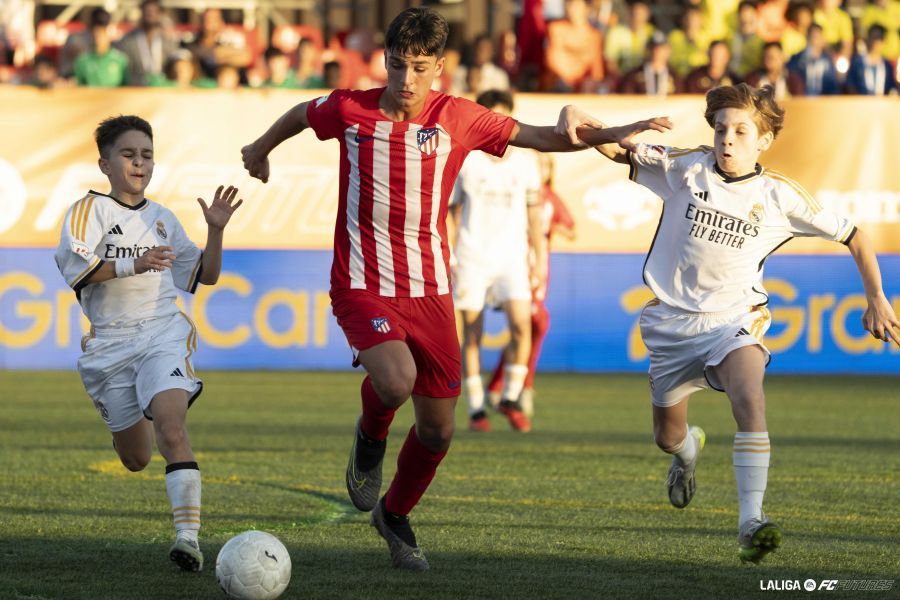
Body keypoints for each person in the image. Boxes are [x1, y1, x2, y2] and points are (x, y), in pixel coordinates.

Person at [240, 6, 668, 572]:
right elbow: (300, 112)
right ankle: (369, 438)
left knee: (439, 431)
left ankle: (393, 513)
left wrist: (608, 134)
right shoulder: (350, 108)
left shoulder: (459, 117)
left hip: (432, 288)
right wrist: (260, 149)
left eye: (419, 68)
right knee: (394, 381)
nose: (406, 80)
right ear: (385, 62)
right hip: (363, 282)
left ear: (439, 67)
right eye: (397, 65)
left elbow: (540, 137)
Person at [558, 83, 899, 563]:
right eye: (721, 128)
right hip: (670, 325)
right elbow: (616, 147)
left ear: (763, 140)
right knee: (666, 437)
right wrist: (580, 114)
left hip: (734, 321)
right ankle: (687, 453)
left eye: (741, 130)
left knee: (749, 395)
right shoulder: (686, 167)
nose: (727, 138)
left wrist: (877, 299)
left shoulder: (779, 196)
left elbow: (856, 237)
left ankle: (750, 520)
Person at [54, 115, 242, 573]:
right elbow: (77, 271)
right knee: (136, 458)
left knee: (172, 429)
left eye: (147, 155)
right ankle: (132, 407)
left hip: (162, 335)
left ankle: (189, 540)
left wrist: (216, 229)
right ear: (104, 164)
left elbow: (206, 276)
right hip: (110, 349)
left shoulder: (164, 219)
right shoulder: (86, 212)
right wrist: (131, 264)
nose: (139, 163)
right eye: (128, 154)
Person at [449, 90, 544, 433]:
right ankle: (476, 409)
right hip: (472, 256)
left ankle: (512, 397)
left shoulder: (526, 161)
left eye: (502, 119)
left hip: (512, 258)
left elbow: (535, 215)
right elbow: (449, 212)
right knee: (471, 335)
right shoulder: (466, 159)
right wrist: (450, 253)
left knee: (522, 326)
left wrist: (540, 258)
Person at [486, 152, 576, 417]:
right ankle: (521, 386)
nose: (542, 169)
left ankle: (499, 387)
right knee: (536, 323)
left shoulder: (552, 198)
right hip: (516, 264)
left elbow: (572, 229)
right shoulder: (519, 191)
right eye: (539, 165)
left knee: (524, 328)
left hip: (540, 266)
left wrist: (556, 230)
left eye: (547, 165)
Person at [543, 0, 605, 92]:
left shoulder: (595, 36)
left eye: (577, 6)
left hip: (583, 88)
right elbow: (552, 60)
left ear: (587, 9)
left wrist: (586, 82)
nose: (572, 9)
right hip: (559, 84)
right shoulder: (555, 29)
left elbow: (596, 71)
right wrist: (569, 80)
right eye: (570, 5)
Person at [115, 0, 179, 86]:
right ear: (141, 12)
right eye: (147, 12)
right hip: (136, 91)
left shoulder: (169, 42)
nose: (150, 15)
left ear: (160, 13)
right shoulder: (128, 41)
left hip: (163, 92)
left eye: (154, 11)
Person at [73, 8, 129, 87]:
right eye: (96, 31)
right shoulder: (82, 61)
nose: (99, 36)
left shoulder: (120, 60)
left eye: (103, 31)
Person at [619, 31, 682, 95]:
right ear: (646, 50)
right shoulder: (633, 77)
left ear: (668, 51)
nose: (656, 52)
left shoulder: (675, 78)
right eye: (652, 48)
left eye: (661, 48)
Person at [786, 22, 839, 95]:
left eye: (818, 37)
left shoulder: (828, 60)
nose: (815, 41)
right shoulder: (796, 59)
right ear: (807, 38)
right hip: (800, 102)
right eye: (812, 37)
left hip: (823, 102)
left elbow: (833, 86)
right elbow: (792, 81)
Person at [845, 25, 897, 95]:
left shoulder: (887, 65)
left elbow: (891, 87)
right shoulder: (857, 63)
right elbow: (850, 85)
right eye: (874, 40)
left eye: (880, 41)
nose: (877, 44)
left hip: (882, 103)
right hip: (860, 103)